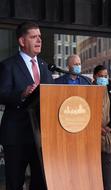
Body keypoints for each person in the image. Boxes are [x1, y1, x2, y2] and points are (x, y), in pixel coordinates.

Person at [0, 22, 54, 190]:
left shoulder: (45, 66)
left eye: (39, 37)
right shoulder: (8, 65)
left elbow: (52, 95)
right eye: (33, 37)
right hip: (16, 135)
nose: (39, 40)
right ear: (22, 41)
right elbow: (1, 94)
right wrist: (21, 94)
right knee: (15, 183)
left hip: (40, 136)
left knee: (40, 183)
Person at [93, 65, 111, 190]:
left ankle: (108, 187)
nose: (103, 78)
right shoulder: (89, 90)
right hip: (94, 131)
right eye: (101, 76)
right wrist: (97, 127)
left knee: (108, 162)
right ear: (95, 76)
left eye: (105, 76)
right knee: (94, 161)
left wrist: (109, 127)